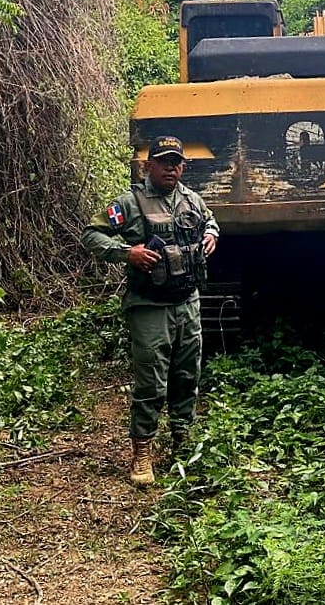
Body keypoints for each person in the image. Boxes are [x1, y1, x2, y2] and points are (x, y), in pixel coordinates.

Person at [82, 135, 219, 487]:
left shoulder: (192, 199)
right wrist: (128, 253)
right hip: (149, 307)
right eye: (164, 161)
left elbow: (211, 221)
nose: (171, 167)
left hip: (187, 302)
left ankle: (181, 440)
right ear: (149, 165)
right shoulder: (129, 203)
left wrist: (212, 235)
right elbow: (92, 235)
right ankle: (142, 452)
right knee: (151, 383)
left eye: (177, 162)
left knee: (187, 375)